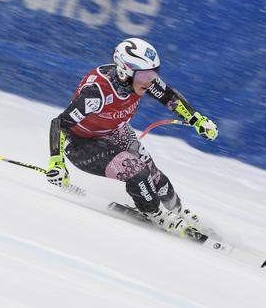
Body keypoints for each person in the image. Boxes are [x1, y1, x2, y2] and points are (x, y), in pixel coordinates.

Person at [46, 37, 218, 236]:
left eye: (154, 74)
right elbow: (59, 123)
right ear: (124, 72)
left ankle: (177, 211)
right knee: (137, 172)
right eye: (145, 75)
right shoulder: (97, 94)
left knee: (156, 177)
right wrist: (56, 162)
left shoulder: (141, 81)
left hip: (115, 131)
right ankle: (157, 214)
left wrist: (197, 120)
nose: (150, 81)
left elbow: (169, 97)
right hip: (82, 144)